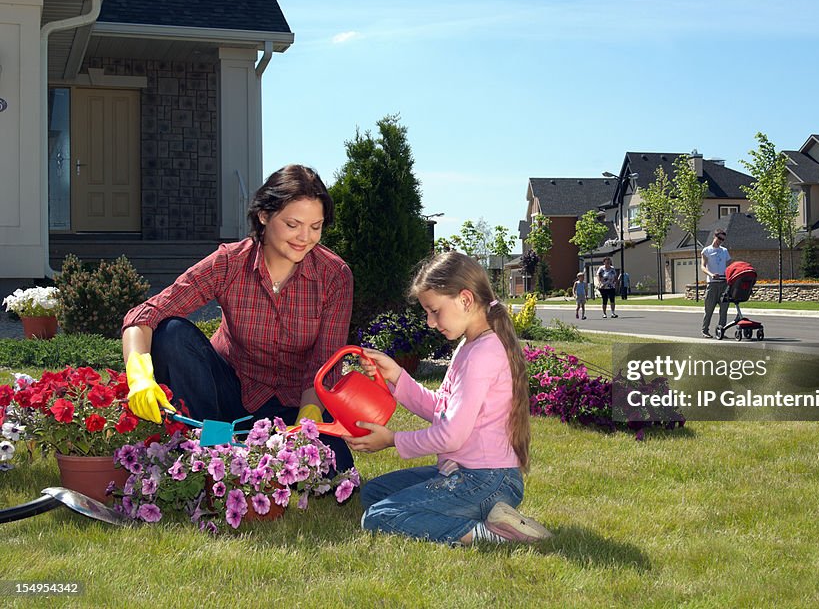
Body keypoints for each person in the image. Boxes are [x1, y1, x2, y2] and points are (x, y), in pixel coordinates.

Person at [121, 164, 355, 472]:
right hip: (226, 398)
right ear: (264, 216)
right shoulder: (229, 263)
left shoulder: (334, 275)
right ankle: (214, 447)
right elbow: (148, 313)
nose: (304, 238)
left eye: (316, 226)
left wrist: (308, 415)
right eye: (293, 224)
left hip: (294, 404)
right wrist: (138, 376)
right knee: (172, 332)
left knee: (336, 469)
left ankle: (250, 451)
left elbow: (325, 362)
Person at [347, 252, 551, 545]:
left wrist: (393, 439)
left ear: (465, 300)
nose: (431, 322)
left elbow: (450, 436)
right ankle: (486, 514)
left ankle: (490, 534)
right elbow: (442, 411)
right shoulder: (469, 344)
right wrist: (396, 376)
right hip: (467, 474)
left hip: (488, 480)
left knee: (379, 517)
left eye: (435, 311)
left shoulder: (482, 353)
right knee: (373, 493)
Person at [701, 228, 732, 338]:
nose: (720, 241)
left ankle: (721, 331)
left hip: (724, 284)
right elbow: (703, 266)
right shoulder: (706, 250)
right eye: (719, 238)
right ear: (714, 237)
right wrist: (711, 274)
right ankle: (705, 330)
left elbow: (729, 266)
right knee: (709, 309)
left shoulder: (724, 251)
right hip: (712, 284)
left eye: (722, 239)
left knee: (724, 309)